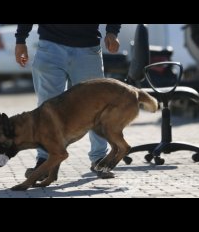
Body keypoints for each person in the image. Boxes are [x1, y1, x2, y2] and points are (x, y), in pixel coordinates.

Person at [14, 24, 121, 179]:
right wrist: (20, 40)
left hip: (88, 48)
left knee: (97, 107)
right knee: (46, 110)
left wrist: (112, 31)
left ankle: (99, 159)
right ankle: (44, 161)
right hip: (50, 47)